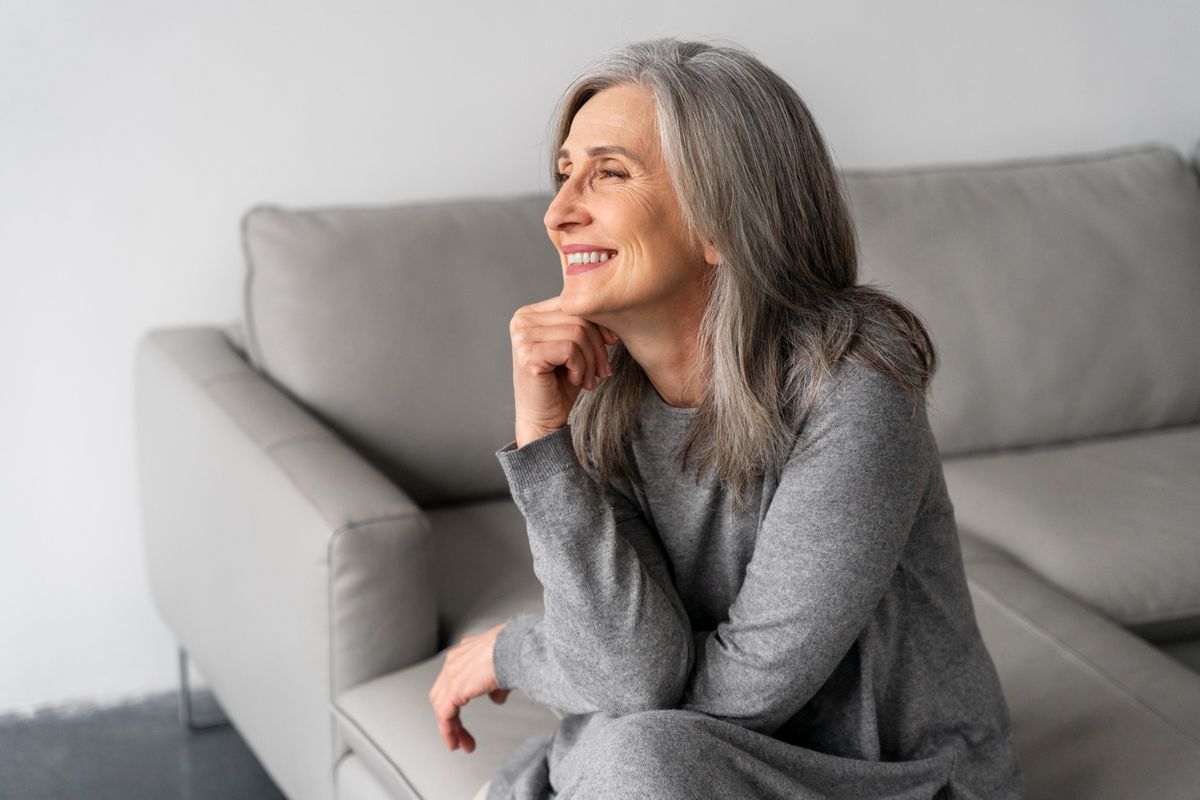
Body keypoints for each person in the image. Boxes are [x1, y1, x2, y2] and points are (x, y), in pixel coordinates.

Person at [427, 36, 1025, 800]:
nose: (558, 213)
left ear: (721, 220)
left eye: (608, 172)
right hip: (689, 762)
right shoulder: (604, 401)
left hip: (889, 782)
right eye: (564, 174)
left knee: (634, 761)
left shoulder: (855, 383)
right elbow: (632, 668)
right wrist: (545, 441)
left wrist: (520, 653)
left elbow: (744, 695)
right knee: (632, 757)